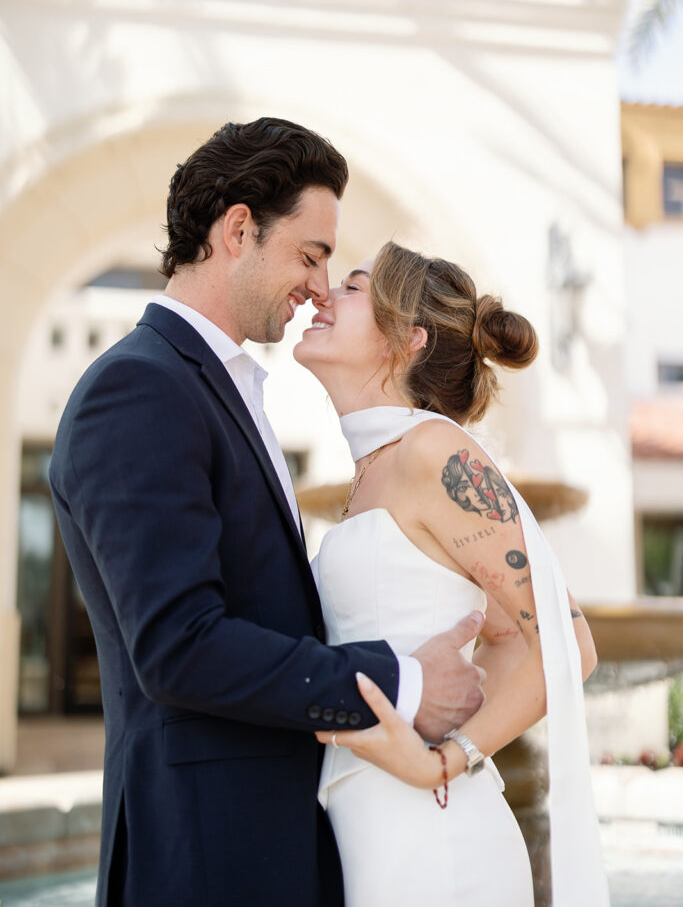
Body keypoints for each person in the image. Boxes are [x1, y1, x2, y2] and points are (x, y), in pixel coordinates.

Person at [48, 119, 487, 907]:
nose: (322, 286)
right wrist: (407, 684)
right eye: (312, 256)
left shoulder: (216, 389)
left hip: (272, 847)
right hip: (203, 857)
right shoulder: (139, 388)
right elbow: (179, 646)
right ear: (238, 228)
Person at [294, 241, 611, 907]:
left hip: (433, 838)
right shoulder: (377, 468)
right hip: (370, 823)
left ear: (405, 339)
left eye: (351, 288)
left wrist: (445, 756)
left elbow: (566, 643)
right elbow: (494, 635)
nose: (323, 295)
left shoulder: (434, 451)